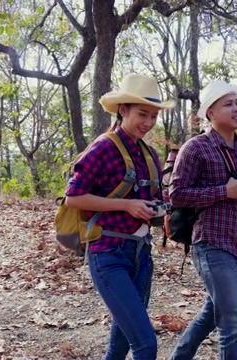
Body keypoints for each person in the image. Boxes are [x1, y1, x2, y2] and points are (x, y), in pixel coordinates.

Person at [64, 73, 175, 360]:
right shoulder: (103, 147)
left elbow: (151, 199)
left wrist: (158, 210)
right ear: (122, 110)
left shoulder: (150, 153)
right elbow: (73, 197)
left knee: (121, 344)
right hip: (108, 253)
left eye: (153, 116)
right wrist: (127, 206)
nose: (148, 123)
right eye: (142, 114)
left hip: (141, 254)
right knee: (146, 344)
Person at [168, 80, 237, 360]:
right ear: (211, 113)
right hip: (210, 244)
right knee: (232, 320)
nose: (236, 109)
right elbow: (177, 195)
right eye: (228, 104)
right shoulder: (195, 149)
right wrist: (223, 192)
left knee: (211, 313)